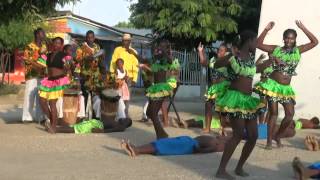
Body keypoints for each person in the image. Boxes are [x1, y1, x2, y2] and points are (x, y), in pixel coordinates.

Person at [214, 31, 275, 180]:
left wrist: (271, 61)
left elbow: (255, 70)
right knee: (238, 134)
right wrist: (228, 57)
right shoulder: (235, 57)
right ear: (250, 41)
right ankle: (221, 170)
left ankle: (239, 167)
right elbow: (216, 64)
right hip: (235, 100)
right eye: (256, 42)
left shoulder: (250, 58)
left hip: (247, 101)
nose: (257, 45)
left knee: (253, 135)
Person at [254, 21, 318, 149]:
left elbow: (315, 42)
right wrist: (266, 29)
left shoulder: (298, 51)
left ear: (295, 40)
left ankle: (278, 136)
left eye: (292, 38)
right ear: (283, 39)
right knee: (274, 113)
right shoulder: (276, 49)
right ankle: (269, 141)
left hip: (286, 88)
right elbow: (258, 44)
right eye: (287, 38)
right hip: (273, 85)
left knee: (290, 115)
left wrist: (303, 27)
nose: (289, 40)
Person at [145, 39, 178, 139]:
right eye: (159, 45)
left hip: (162, 88)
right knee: (148, 112)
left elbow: (170, 61)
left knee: (153, 113)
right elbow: (146, 60)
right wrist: (132, 52)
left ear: (166, 48)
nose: (159, 47)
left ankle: (161, 134)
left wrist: (163, 50)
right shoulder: (157, 57)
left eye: (162, 46)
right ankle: (162, 133)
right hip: (155, 87)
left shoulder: (167, 58)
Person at [39, 37, 70, 133]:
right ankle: (53, 120)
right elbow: (42, 67)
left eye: (58, 43)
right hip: (49, 80)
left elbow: (68, 67)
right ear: (52, 44)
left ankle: (53, 127)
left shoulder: (64, 55)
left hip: (59, 80)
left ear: (61, 45)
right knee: (42, 101)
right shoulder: (48, 55)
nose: (56, 45)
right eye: (55, 43)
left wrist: (67, 68)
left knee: (52, 103)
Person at [197, 43, 231, 135]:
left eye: (221, 50)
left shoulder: (228, 62)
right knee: (208, 105)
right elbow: (203, 63)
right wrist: (200, 52)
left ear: (226, 52)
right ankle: (207, 128)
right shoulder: (213, 60)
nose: (218, 52)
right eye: (218, 50)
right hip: (213, 87)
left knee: (221, 110)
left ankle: (222, 128)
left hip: (223, 87)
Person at [75, 30, 106, 117]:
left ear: (94, 38)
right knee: (84, 96)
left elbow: (101, 61)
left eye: (91, 37)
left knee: (95, 96)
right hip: (85, 76)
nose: (90, 39)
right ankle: (83, 116)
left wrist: (103, 73)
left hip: (96, 76)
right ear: (86, 38)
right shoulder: (81, 48)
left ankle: (94, 116)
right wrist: (77, 77)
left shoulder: (97, 47)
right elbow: (78, 62)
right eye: (88, 37)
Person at [110, 33, 139, 118]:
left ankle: (125, 116)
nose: (125, 42)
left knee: (126, 98)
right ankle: (116, 115)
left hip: (128, 78)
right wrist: (112, 75)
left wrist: (134, 79)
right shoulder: (117, 50)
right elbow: (113, 62)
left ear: (130, 41)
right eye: (124, 40)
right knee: (117, 96)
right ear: (122, 41)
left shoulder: (134, 52)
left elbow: (136, 66)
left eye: (127, 41)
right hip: (118, 78)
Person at [22, 28, 47, 123]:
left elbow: (45, 59)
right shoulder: (30, 46)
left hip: (42, 75)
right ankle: (27, 117)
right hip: (31, 74)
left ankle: (40, 117)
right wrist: (37, 66)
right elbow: (27, 60)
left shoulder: (44, 46)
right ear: (37, 35)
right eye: (42, 33)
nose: (44, 35)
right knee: (30, 95)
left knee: (41, 96)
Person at [120, 135, 229, 157]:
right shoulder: (220, 138)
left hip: (190, 145)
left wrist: (198, 149)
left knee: (164, 145)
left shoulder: (221, 145)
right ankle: (137, 148)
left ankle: (137, 150)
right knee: (164, 142)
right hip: (188, 140)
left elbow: (209, 150)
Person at [44, 118, 132, 134]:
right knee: (75, 126)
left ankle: (55, 130)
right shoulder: (119, 123)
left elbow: (112, 130)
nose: (124, 118)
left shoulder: (121, 127)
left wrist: (101, 131)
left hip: (98, 126)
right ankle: (55, 128)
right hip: (96, 123)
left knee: (76, 129)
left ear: (126, 124)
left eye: (126, 119)